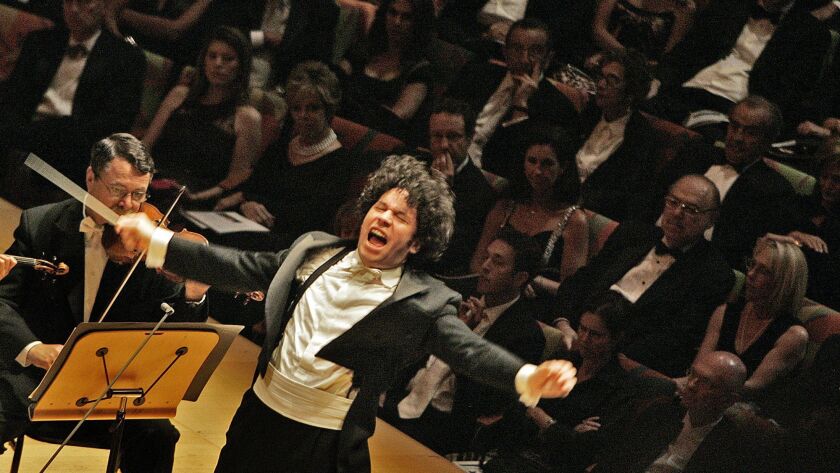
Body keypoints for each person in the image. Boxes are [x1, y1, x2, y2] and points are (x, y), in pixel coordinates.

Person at [115, 154, 578, 473]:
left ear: (417, 243)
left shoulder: (424, 301)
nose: (382, 218)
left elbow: (468, 351)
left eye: (399, 218)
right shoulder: (313, 249)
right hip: (259, 415)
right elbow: (236, 267)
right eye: (380, 207)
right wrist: (157, 242)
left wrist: (527, 379)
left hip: (322, 442)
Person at [0, 133, 208, 472]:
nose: (129, 205)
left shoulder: (152, 243)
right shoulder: (40, 224)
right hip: (37, 377)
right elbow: (3, 301)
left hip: (111, 387)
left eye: (139, 194)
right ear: (90, 178)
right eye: (118, 191)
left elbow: (175, 332)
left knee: (158, 435)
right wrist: (33, 348)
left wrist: (194, 294)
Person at [380, 227, 545, 454]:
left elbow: (487, 404)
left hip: (443, 426)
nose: (485, 266)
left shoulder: (526, 335)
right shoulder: (458, 295)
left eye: (498, 262)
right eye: (486, 257)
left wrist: (462, 341)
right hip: (398, 396)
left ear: (520, 278)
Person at [552, 175, 733, 376]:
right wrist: (563, 323)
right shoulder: (632, 233)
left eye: (690, 209)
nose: (677, 213)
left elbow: (676, 337)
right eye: (673, 202)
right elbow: (582, 280)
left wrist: (606, 351)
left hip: (625, 362)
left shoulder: (714, 272)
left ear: (711, 219)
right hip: (577, 331)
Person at [483, 291, 643, 473]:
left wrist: (540, 416)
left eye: (595, 335)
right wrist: (567, 430)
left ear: (616, 338)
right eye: (582, 329)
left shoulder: (620, 388)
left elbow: (583, 450)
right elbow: (515, 411)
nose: (584, 339)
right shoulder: (562, 361)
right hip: (514, 458)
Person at [0, 0, 146, 185]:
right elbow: (14, 96)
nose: (74, 9)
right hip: (22, 135)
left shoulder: (127, 59)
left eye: (84, 2)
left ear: (103, 5)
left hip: (73, 148)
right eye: (69, 1)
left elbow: (114, 123)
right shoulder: (41, 41)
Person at [215, 60, 352, 251]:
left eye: (313, 108)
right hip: (250, 229)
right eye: (297, 108)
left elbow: (310, 218)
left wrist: (254, 202)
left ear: (328, 109)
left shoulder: (340, 162)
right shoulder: (281, 148)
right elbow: (251, 186)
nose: (303, 115)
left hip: (290, 246)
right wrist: (247, 204)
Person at [659, 96, 807, 270]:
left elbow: (743, 254)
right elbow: (651, 199)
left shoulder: (774, 191)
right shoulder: (695, 153)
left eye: (750, 132)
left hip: (699, 270)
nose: (737, 137)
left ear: (767, 141)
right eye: (734, 126)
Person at [648, 0, 831, 132]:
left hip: (734, 110)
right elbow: (685, 51)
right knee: (642, 113)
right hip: (685, 91)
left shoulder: (812, 33)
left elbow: (791, 93)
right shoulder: (728, 5)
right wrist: (657, 81)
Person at [591, 351, 784, 472]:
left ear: (729, 400)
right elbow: (614, 461)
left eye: (706, 383)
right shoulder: (660, 412)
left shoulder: (734, 447)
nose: (691, 385)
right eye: (692, 375)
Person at [142, 26, 262, 207]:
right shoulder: (180, 95)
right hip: (151, 185)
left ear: (241, 65)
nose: (218, 64)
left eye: (228, 59)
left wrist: (196, 198)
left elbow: (235, 181)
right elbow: (145, 145)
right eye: (212, 56)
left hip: (198, 201)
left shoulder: (246, 118)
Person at [446, 18, 579, 170]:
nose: (524, 59)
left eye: (535, 51)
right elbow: (442, 113)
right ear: (505, 52)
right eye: (517, 49)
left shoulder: (558, 108)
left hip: (489, 177)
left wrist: (521, 106)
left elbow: (517, 163)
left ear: (548, 59)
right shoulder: (476, 74)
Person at [687, 236, 809, 399]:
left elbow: (753, 388)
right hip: (701, 393)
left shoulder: (793, 336)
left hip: (741, 408)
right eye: (752, 264)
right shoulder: (724, 312)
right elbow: (698, 368)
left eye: (764, 271)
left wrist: (703, 391)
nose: (750, 274)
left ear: (783, 283)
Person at [471, 131, 588, 296]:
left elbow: (570, 291)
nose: (537, 171)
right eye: (532, 161)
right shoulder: (506, 205)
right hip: (489, 293)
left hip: (537, 303)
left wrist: (528, 281)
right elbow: (477, 262)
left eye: (547, 164)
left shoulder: (574, 221)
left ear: (563, 167)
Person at [574, 48, 658, 221]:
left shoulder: (641, 136)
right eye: (601, 77)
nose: (601, 84)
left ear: (631, 91)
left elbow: (624, 193)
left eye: (612, 80)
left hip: (594, 214)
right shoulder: (589, 113)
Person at [338, 0, 436, 144]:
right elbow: (332, 84)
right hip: (337, 128)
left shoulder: (421, 72)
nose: (397, 22)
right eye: (393, 13)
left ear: (419, 24)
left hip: (376, 143)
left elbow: (395, 119)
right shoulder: (362, 51)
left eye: (406, 17)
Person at [427, 97, 496, 276]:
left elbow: (450, 251)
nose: (443, 145)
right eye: (437, 136)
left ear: (469, 138)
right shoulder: (413, 163)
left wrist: (443, 193)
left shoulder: (482, 194)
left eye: (452, 137)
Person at [204, 0, 339, 89]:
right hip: (230, 72)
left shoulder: (322, 8)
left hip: (280, 83)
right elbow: (222, 32)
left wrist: (284, 43)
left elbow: (317, 58)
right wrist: (262, 37)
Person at [591, 0, 695, 63]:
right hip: (601, 55)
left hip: (641, 72)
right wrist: (615, 55)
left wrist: (629, 61)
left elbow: (667, 56)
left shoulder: (683, 8)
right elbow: (599, 29)